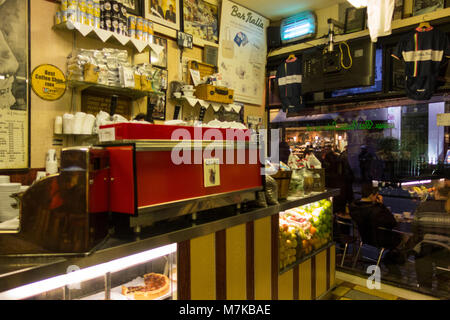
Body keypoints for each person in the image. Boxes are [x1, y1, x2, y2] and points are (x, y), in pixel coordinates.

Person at [349, 183, 410, 264]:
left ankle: (391, 258)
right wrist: (381, 205)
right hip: (379, 239)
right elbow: (392, 223)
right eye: (376, 195)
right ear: (371, 195)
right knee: (406, 237)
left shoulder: (355, 207)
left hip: (365, 237)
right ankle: (394, 261)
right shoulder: (376, 210)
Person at [412, 184, 450, 292]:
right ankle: (442, 289)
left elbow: (415, 228)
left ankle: (424, 291)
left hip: (425, 249)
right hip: (446, 252)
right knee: (443, 283)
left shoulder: (423, 206)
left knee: (424, 284)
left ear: (436, 193)